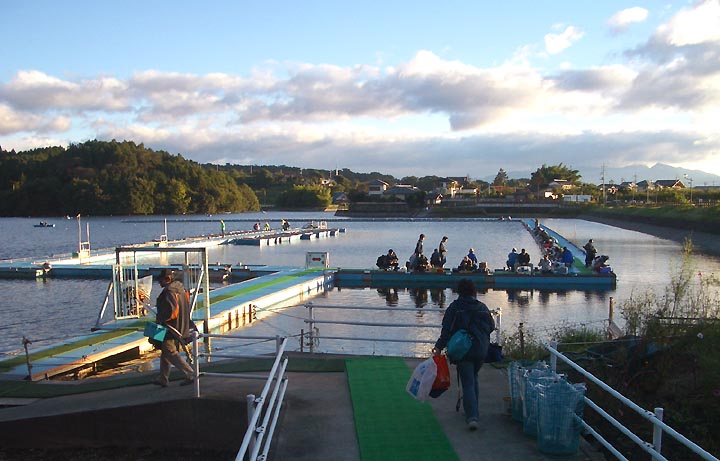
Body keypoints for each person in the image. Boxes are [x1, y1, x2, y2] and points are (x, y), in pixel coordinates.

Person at [432, 279, 495, 430]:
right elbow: (491, 326)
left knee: (467, 382)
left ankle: (472, 417)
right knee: (474, 378)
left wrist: (438, 347)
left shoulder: (455, 308)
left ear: (459, 291)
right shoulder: (482, 307)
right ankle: (473, 409)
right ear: (473, 291)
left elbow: (446, 331)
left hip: (462, 350)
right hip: (480, 349)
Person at [152, 269, 195, 387]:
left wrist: (161, 319)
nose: (159, 283)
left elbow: (172, 312)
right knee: (165, 351)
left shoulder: (169, 292)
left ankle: (190, 374)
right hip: (182, 325)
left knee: (169, 351)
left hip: (170, 327)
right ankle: (163, 378)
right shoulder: (181, 289)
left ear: (168, 279)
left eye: (161, 280)